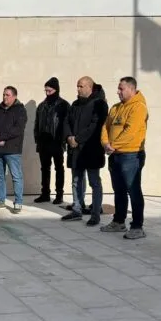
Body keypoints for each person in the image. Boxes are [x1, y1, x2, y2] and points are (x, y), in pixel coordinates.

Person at [100, 77, 149, 239]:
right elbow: (105, 126)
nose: (118, 92)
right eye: (118, 88)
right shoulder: (115, 108)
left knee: (133, 190)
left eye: (121, 89)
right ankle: (119, 221)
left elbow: (131, 131)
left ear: (131, 89)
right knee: (119, 190)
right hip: (115, 154)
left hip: (131, 155)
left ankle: (137, 226)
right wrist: (105, 143)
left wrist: (113, 145)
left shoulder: (138, 107)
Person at [63, 77, 109, 226]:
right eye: (77, 86)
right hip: (75, 150)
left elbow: (95, 126)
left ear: (90, 87)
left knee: (94, 182)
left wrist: (78, 139)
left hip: (91, 150)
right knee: (76, 180)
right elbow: (66, 122)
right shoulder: (75, 104)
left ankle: (95, 214)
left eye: (81, 86)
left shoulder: (99, 104)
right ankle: (77, 209)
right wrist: (69, 136)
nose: (78, 89)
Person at [0, 86, 28, 214]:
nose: (4, 97)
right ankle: (0, 200)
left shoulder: (20, 110)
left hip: (12, 149)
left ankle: (18, 202)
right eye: (4, 94)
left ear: (14, 96)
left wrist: (2, 137)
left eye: (7, 95)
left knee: (16, 176)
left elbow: (18, 129)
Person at [34, 77, 70, 205]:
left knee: (59, 168)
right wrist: (37, 139)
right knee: (44, 168)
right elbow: (37, 123)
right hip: (44, 142)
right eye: (46, 91)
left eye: (50, 91)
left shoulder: (63, 105)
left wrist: (64, 140)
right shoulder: (42, 106)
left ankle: (59, 194)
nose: (47, 93)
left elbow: (67, 124)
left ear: (56, 90)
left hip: (57, 142)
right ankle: (45, 193)